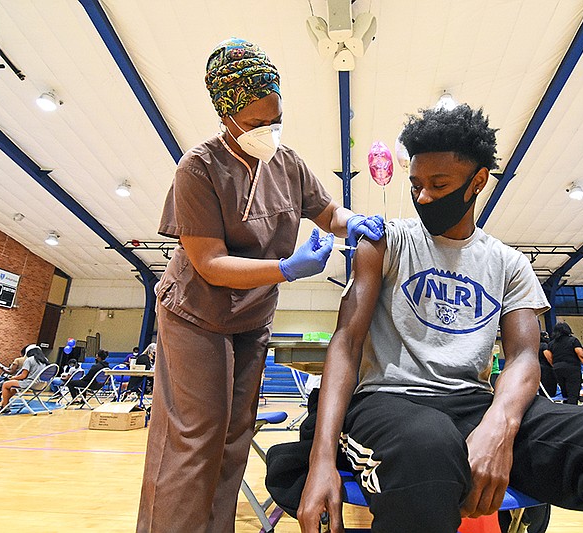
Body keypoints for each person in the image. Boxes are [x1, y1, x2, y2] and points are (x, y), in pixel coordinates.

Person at [285, 105, 583, 532]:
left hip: (474, 404)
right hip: (388, 403)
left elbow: (523, 359)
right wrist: (321, 460)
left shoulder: (509, 264)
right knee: (428, 450)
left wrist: (500, 424)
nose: (423, 197)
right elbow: (346, 342)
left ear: (477, 182)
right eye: (416, 184)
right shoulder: (386, 241)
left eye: (439, 185)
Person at [136, 38, 385, 533]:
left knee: (234, 435)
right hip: (196, 314)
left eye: (275, 120)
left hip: (251, 317)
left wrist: (352, 221)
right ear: (226, 116)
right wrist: (285, 269)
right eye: (255, 124)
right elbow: (208, 262)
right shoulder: (199, 168)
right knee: (194, 437)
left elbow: (325, 210)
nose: (268, 132)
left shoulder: (285, 162)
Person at [0, 345, 48, 414]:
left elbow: (23, 376)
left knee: (6, 384)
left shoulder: (29, 360)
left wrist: (12, 377)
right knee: (14, 388)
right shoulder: (45, 360)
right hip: (42, 385)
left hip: (30, 383)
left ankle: (5, 407)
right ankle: (0, 404)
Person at [543, 322, 583, 405]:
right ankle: (573, 413)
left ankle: (565, 412)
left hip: (557, 369)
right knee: (573, 394)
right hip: (572, 368)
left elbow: (547, 354)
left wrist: (554, 364)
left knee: (565, 394)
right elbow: (580, 354)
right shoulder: (573, 340)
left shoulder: (551, 343)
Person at [536, 331, 556, 398]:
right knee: (549, 389)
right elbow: (548, 357)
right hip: (546, 370)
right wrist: (554, 365)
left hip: (538, 368)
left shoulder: (536, 346)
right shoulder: (544, 345)